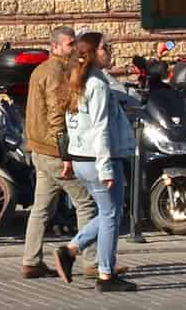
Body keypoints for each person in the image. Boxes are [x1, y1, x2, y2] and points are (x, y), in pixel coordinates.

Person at [54, 32, 138, 292]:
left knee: (108, 212)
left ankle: (71, 250)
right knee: (111, 214)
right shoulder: (98, 84)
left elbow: (73, 123)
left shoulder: (76, 80)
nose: (110, 51)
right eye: (105, 47)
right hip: (98, 158)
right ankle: (105, 274)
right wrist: (105, 166)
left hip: (81, 157)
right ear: (91, 53)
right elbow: (100, 127)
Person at [20, 25, 97, 279]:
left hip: (39, 148)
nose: (74, 47)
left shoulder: (40, 70)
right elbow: (56, 115)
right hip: (54, 150)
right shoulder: (55, 72)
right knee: (86, 203)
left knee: (41, 207)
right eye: (69, 44)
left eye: (75, 43)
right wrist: (66, 154)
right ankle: (93, 263)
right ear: (54, 47)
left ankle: (31, 261)